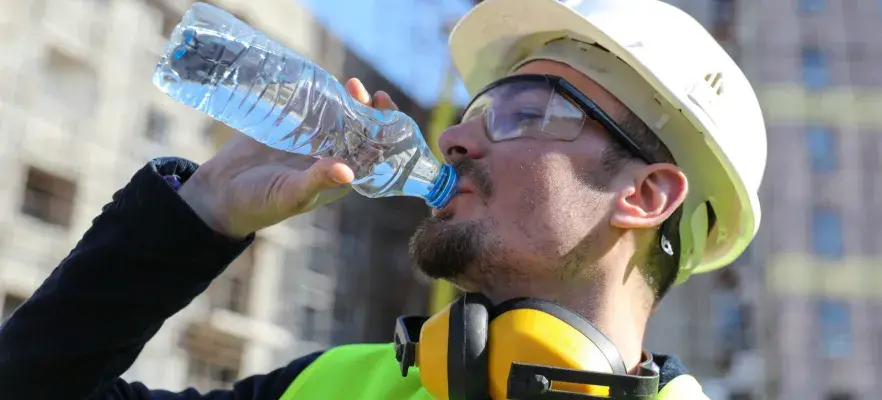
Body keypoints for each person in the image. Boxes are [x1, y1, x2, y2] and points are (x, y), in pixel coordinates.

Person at [0, 0, 766, 399]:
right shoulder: (337, 388)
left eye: (525, 113)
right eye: (468, 116)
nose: (457, 142)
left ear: (646, 192)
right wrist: (198, 214)